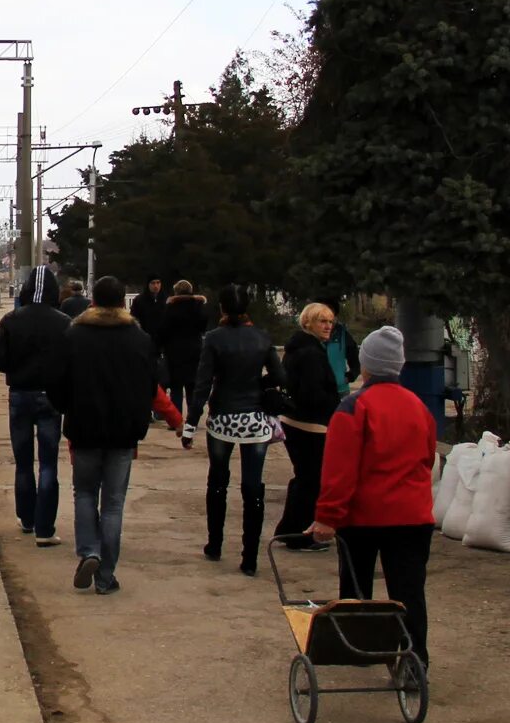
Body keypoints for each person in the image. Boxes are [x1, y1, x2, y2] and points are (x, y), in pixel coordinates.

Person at [309, 325, 439, 668]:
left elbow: (339, 470)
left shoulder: (353, 408)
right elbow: (427, 458)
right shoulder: (419, 407)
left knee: (355, 589)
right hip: (412, 518)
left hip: (362, 518)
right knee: (409, 593)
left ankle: (357, 650)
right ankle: (414, 662)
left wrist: (327, 516)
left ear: (366, 366)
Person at [48, 276, 186, 595]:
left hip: (83, 428)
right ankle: (106, 576)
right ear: (123, 302)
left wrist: (67, 406)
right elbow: (153, 385)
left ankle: (89, 552)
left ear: (93, 301)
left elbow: (55, 381)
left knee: (83, 493)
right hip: (123, 432)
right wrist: (169, 417)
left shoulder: (74, 336)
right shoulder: (138, 340)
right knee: (113, 503)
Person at [186, 284, 285, 575]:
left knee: (218, 482)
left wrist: (191, 422)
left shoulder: (214, 339)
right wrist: (259, 385)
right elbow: (280, 375)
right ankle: (250, 558)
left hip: (223, 417)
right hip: (255, 418)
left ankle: (215, 544)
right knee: (253, 488)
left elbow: (203, 382)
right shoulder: (262, 338)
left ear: (222, 309)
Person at [0, 266, 71, 543]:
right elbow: (73, 359)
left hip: (20, 394)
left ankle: (26, 517)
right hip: (52, 395)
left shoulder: (12, 320)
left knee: (23, 461)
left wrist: (17, 367)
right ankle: (45, 530)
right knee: (48, 463)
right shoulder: (63, 322)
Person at [273, 303, 343, 551]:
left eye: (330, 321)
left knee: (305, 477)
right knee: (312, 479)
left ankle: (290, 529)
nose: (328, 326)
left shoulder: (299, 348)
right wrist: (336, 404)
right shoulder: (311, 353)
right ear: (308, 323)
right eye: (322, 321)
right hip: (310, 424)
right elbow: (312, 393)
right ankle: (299, 533)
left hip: (296, 421)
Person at [156, 280, 208, 416]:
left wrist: (160, 346)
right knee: (192, 386)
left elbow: (163, 328)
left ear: (176, 291)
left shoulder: (171, 307)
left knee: (176, 387)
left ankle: (176, 416)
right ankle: (192, 417)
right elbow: (203, 325)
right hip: (194, 349)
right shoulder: (198, 306)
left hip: (174, 350)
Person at [130, 276, 166, 340]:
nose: (156, 286)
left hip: (163, 338)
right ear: (148, 284)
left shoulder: (166, 299)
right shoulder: (139, 300)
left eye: (158, 283)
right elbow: (133, 318)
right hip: (145, 337)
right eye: (153, 283)